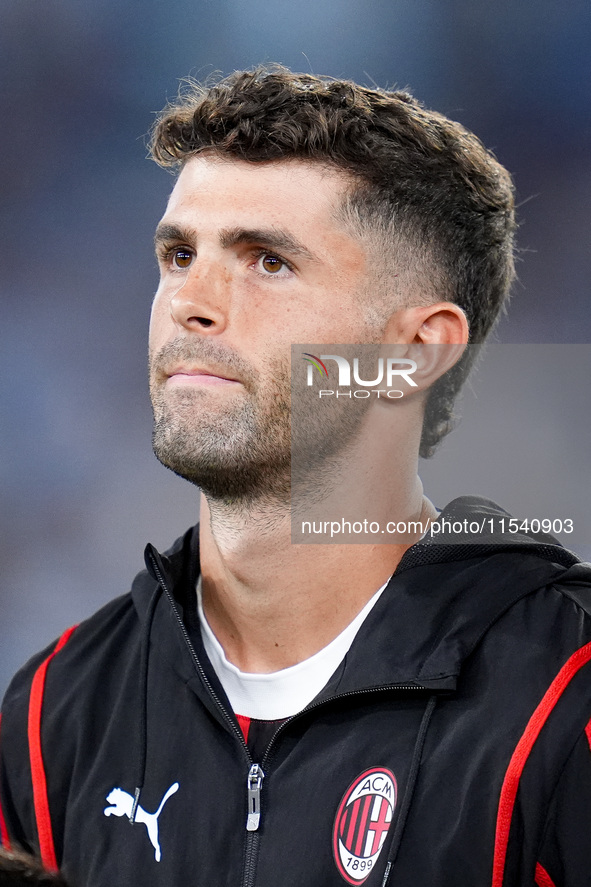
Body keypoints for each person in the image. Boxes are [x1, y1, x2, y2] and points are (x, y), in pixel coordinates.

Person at [1, 65, 590, 887]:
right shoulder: (52, 710)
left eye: (267, 261)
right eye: (178, 254)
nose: (189, 302)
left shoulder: (564, 691)